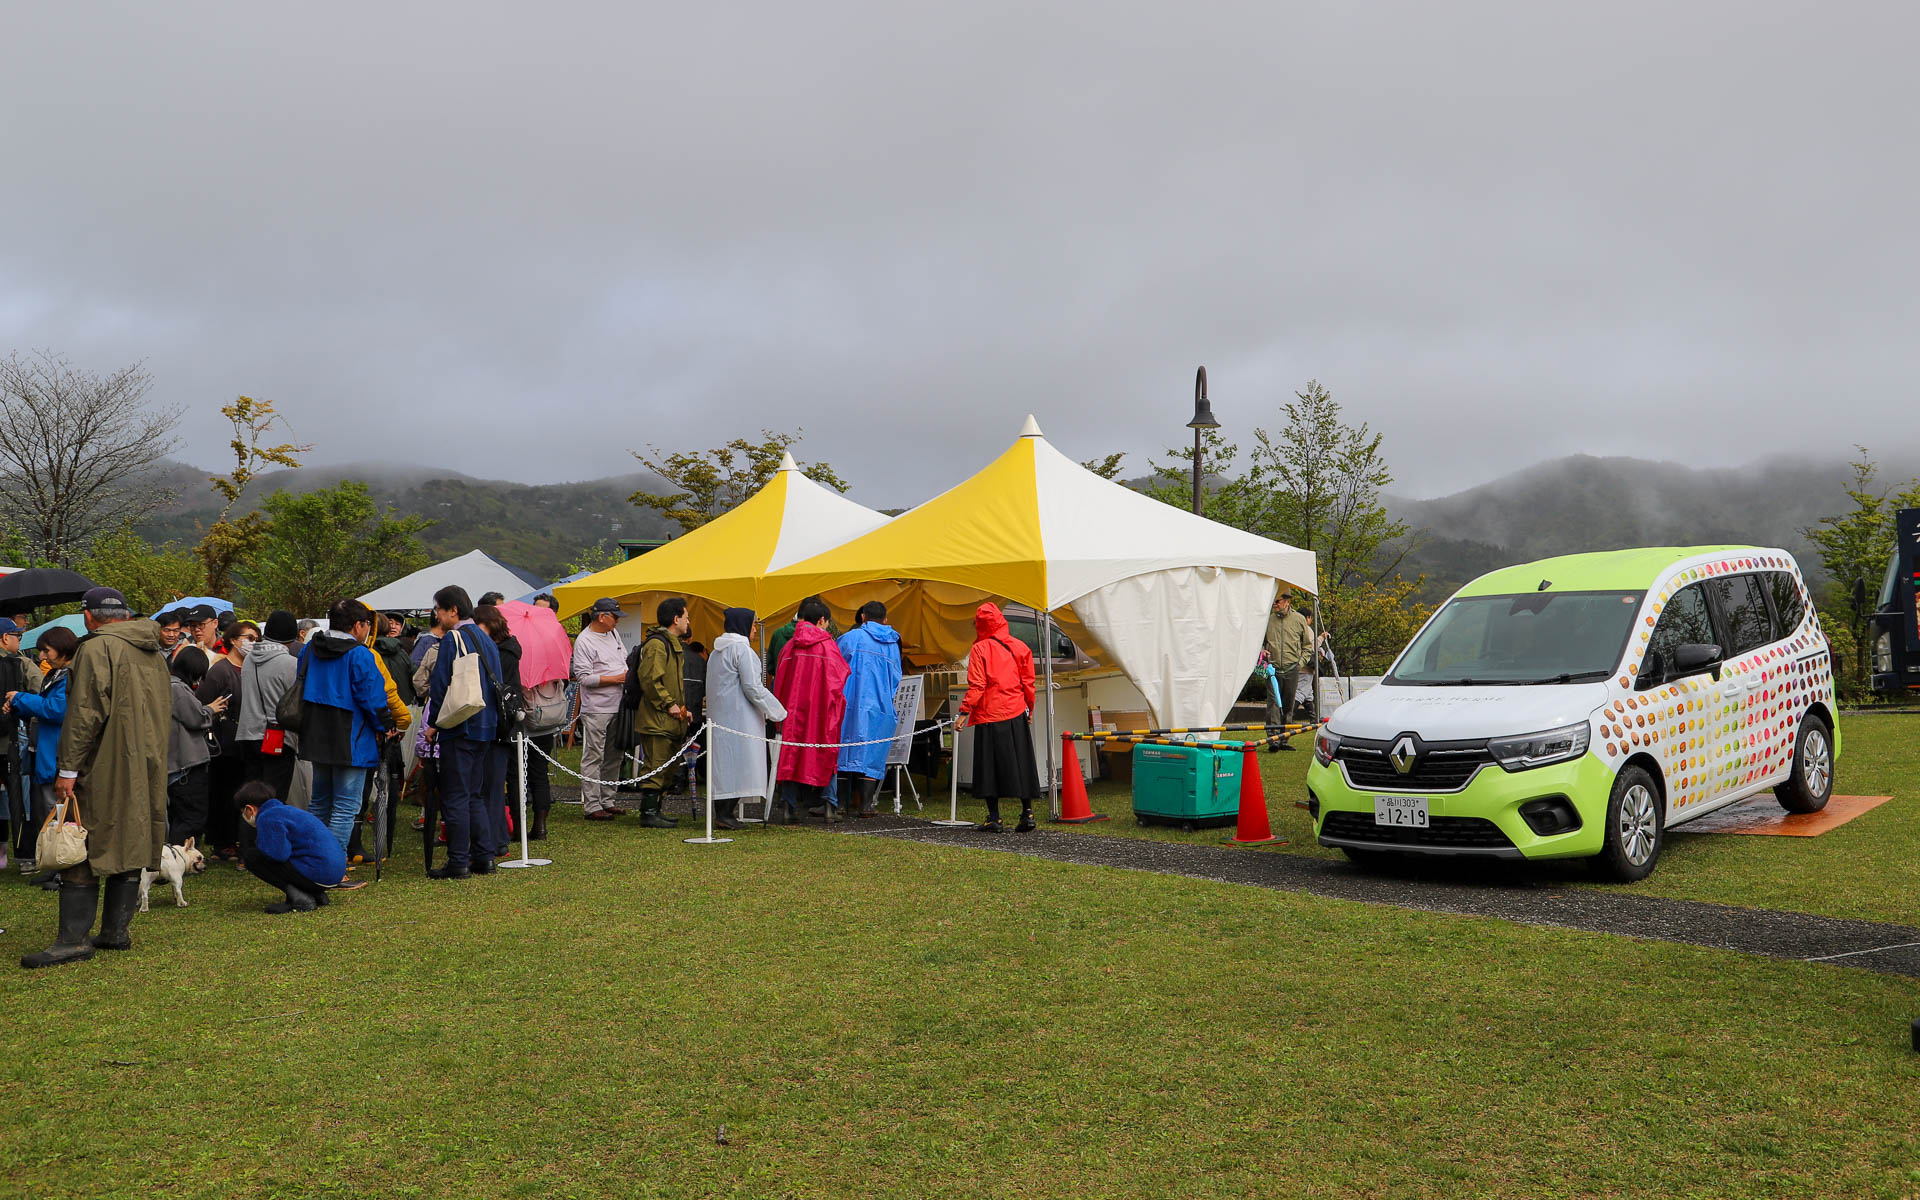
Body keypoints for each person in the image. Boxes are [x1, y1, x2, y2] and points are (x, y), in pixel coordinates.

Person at [21, 587, 170, 969]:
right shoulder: (153, 651)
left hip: (103, 763)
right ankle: (116, 931)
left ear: (89, 615)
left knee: (82, 839)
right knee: (131, 836)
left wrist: (67, 769)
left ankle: (72, 940)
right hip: (147, 762)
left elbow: (85, 714)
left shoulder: (96, 649)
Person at [294, 600, 393, 850]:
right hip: (351, 736)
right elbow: (372, 697)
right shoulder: (359, 654)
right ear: (358, 626)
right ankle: (331, 865)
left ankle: (310, 858)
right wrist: (386, 725)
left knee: (320, 802)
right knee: (346, 806)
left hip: (316, 731)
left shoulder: (309, 650)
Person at [427, 584, 503, 879]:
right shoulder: (487, 641)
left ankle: (458, 860)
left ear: (453, 610)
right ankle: (484, 856)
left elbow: (440, 685)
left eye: (439, 610)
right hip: (485, 725)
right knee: (474, 794)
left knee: (455, 795)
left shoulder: (453, 639)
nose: (437, 616)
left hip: (460, 724)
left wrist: (434, 724)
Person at [959, 602, 1039, 834]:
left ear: (980, 625)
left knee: (989, 768)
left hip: (989, 714)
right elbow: (1028, 683)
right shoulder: (1020, 646)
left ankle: (994, 818)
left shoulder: (980, 649)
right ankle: (1028, 814)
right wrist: (1030, 709)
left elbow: (977, 685)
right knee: (1022, 763)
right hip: (1015, 712)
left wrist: (964, 712)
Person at [3, 626, 77, 879]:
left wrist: (21, 697)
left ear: (62, 648)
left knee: (54, 811)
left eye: (47, 650)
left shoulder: (69, 676)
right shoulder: (56, 674)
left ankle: (61, 867)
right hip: (42, 750)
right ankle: (50, 864)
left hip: (56, 751)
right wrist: (18, 707)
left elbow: (56, 710)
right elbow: (43, 709)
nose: (43, 656)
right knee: (43, 812)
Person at [706, 608, 786, 830]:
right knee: (741, 765)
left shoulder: (716, 651)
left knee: (724, 766)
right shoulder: (742, 651)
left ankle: (724, 812)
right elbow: (753, 687)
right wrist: (778, 711)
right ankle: (725, 814)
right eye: (752, 625)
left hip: (722, 716)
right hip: (741, 718)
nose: (754, 630)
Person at [773, 596, 849, 823]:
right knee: (827, 754)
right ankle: (830, 806)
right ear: (822, 620)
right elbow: (839, 682)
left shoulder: (788, 647)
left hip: (792, 713)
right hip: (822, 714)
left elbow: (779, 682)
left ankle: (788, 807)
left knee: (790, 755)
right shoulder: (828, 646)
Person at [236, 780, 347, 914]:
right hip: (334, 873)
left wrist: (260, 842)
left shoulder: (268, 817)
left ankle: (299, 898)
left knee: (251, 857)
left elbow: (278, 855)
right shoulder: (288, 810)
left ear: (249, 809)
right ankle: (316, 894)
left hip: (319, 873)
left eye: (243, 812)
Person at [836, 601, 903, 819]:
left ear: (863, 616)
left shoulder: (851, 638)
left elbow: (835, 663)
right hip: (881, 705)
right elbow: (896, 676)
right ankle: (866, 806)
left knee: (845, 748)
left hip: (852, 702)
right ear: (885, 619)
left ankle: (840, 805)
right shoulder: (893, 643)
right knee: (873, 753)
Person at [197, 619, 257, 860]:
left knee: (243, 790)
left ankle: (238, 837)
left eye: (256, 639)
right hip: (225, 740)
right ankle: (221, 841)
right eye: (249, 638)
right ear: (233, 640)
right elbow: (201, 703)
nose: (253, 643)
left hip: (247, 740)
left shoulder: (253, 668)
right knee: (223, 791)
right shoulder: (220, 671)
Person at [632, 598, 692, 828]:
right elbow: (649, 679)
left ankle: (656, 810)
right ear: (676, 619)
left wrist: (682, 710)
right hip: (656, 720)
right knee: (655, 766)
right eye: (686, 617)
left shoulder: (672, 643)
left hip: (670, 720)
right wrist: (669, 704)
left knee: (667, 768)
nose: (688, 622)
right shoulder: (657, 645)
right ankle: (648, 814)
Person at [570, 598, 629, 822]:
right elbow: (584, 678)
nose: (617, 621)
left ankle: (608, 799)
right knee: (594, 755)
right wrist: (617, 679)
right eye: (615, 616)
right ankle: (592, 804)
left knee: (615, 755)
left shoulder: (613, 634)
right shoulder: (584, 641)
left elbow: (622, 659)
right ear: (602, 617)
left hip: (617, 705)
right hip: (597, 708)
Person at [236, 611, 302, 801]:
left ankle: (248, 831)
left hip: (248, 735)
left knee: (251, 799)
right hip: (278, 738)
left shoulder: (248, 659)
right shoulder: (290, 664)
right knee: (274, 800)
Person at [473, 603, 521, 855]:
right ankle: (497, 836)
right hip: (505, 724)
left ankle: (495, 840)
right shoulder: (509, 649)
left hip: (496, 725)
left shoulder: (498, 653)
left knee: (490, 786)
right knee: (493, 785)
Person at [166, 649, 224, 846]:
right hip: (186, 764)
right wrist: (211, 709)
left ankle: (175, 856)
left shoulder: (167, 684)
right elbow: (196, 718)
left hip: (174, 764)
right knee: (191, 816)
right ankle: (184, 857)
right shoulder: (177, 688)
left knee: (178, 814)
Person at [0, 617, 44, 866]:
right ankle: (26, 856)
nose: (20, 640)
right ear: (6, 638)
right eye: (17, 635)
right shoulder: (22, 664)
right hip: (13, 740)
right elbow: (40, 693)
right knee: (22, 800)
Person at [1263, 591, 1314, 751]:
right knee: (1273, 705)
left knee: (1288, 705)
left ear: (1287, 601)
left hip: (1293, 669)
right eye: (1273, 601)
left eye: (1277, 601)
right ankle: (1273, 741)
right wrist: (1263, 651)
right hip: (1272, 669)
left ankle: (1284, 740)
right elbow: (1260, 642)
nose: (1274, 604)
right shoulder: (1267, 620)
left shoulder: (1299, 620)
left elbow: (1307, 645)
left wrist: (1300, 663)